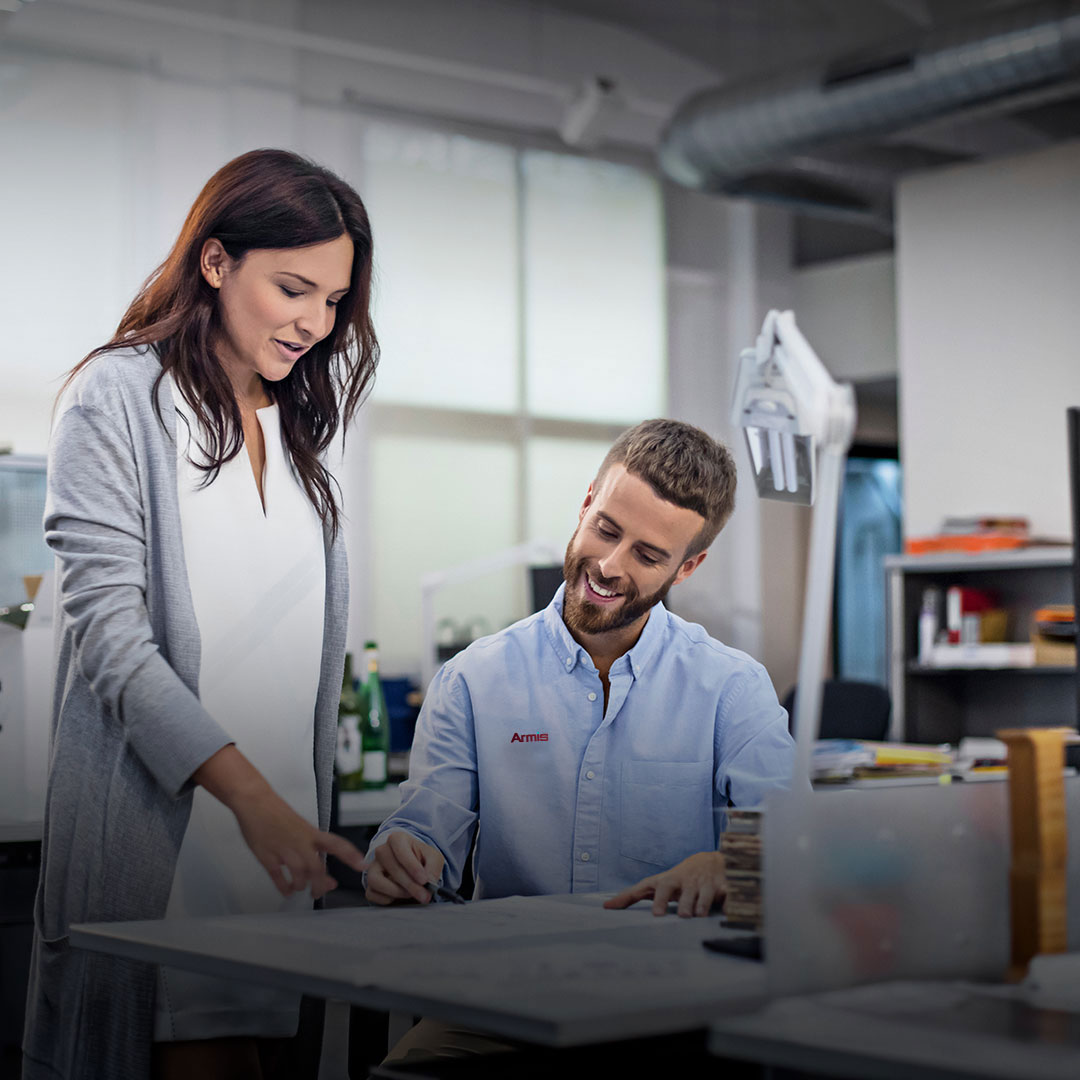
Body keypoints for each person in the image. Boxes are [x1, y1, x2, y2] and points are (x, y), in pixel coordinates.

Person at [23, 149, 376, 1080]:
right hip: (170, 849)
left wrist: (282, 816)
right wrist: (251, 801)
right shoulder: (119, 399)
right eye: (293, 287)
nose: (315, 322)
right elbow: (113, 640)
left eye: (334, 300)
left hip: (277, 854)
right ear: (216, 264)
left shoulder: (300, 437)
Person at [366, 419, 795, 913]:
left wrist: (736, 864)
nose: (611, 565)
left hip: (671, 979)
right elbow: (423, 830)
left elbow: (796, 839)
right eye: (606, 529)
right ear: (586, 503)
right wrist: (401, 857)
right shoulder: (471, 681)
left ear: (688, 567)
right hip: (507, 976)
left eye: (648, 555)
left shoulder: (731, 689)